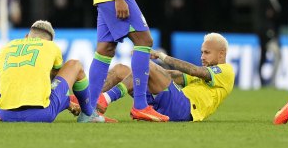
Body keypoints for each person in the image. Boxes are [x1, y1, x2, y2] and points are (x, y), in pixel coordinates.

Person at [77, 33, 235, 122]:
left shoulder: (226, 72)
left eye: (207, 52)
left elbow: (195, 71)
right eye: (202, 52)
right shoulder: (206, 73)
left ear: (221, 54)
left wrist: (161, 57)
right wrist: (142, 70)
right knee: (120, 70)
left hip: (185, 109)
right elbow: (171, 76)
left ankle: (105, 99)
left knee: (146, 65)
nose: (202, 56)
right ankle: (86, 102)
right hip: (166, 103)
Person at [0, 20, 110, 123]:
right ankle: (88, 114)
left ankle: (68, 103)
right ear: (49, 40)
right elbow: (57, 81)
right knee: (74, 65)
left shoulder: (7, 47)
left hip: (6, 115)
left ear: (26, 36)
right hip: (41, 114)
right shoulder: (51, 47)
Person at [254, 0, 281, 87]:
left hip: (266, 29)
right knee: (276, 54)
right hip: (266, 30)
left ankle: (263, 82)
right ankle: (270, 82)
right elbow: (268, 12)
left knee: (264, 55)